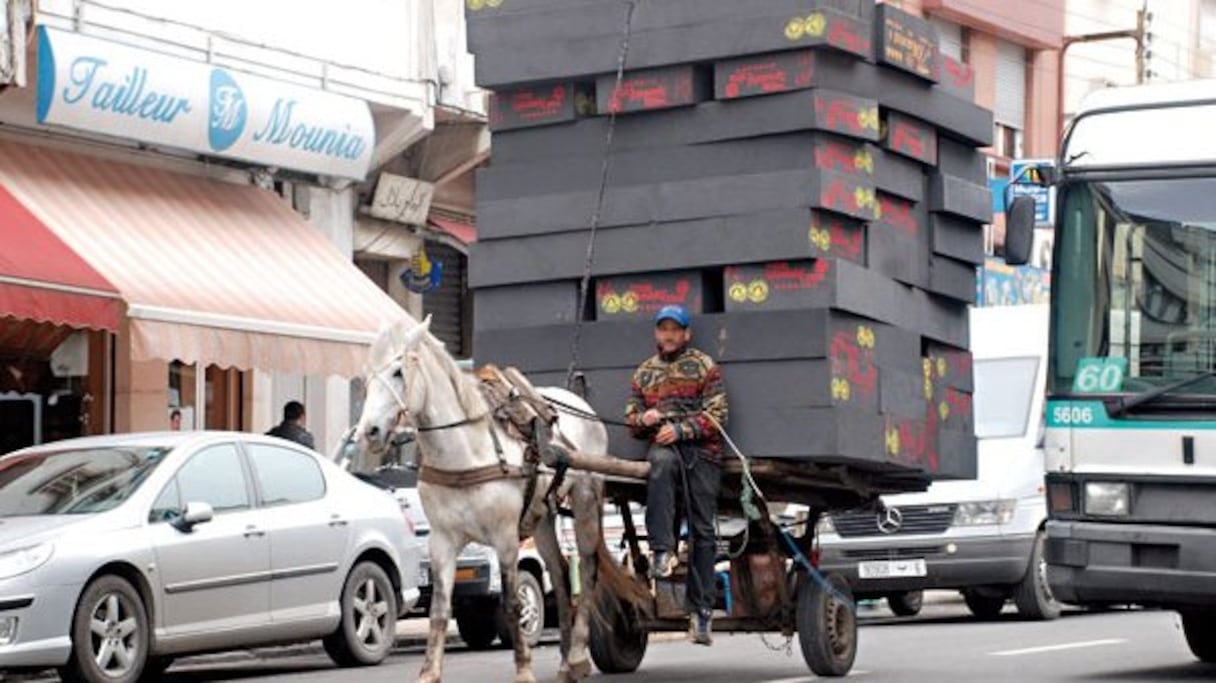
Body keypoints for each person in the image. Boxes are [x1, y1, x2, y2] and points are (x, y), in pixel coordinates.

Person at [624, 304, 728, 646]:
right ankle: (661, 551)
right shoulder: (644, 373)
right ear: (657, 334)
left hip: (702, 453)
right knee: (660, 465)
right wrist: (646, 420)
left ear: (686, 334)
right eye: (663, 329)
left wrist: (682, 431)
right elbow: (631, 420)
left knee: (702, 529)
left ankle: (701, 613)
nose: (668, 335)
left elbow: (717, 416)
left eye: (675, 329)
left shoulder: (704, 366)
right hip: (665, 450)